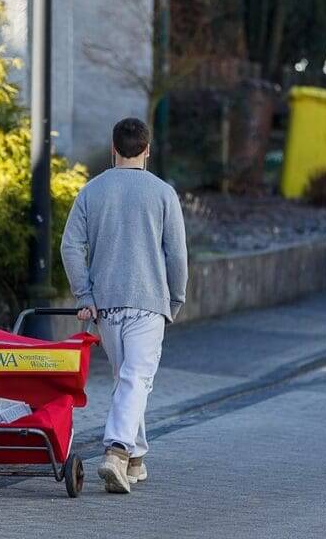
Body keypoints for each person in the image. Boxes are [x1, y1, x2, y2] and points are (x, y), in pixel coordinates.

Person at [60, 117, 188, 494]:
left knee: (129, 380)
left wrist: (84, 294)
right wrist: (175, 299)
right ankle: (116, 452)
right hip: (148, 303)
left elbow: (70, 246)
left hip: (107, 306)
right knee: (136, 380)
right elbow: (177, 255)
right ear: (147, 150)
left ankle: (135, 458)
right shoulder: (164, 194)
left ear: (113, 148)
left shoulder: (91, 192)